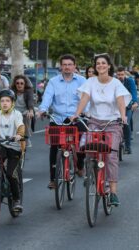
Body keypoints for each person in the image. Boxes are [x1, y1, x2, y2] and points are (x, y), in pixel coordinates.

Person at [72, 53, 131, 206]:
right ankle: (92, 174)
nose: (101, 66)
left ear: (109, 66)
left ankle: (113, 192)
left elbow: (120, 100)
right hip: (94, 121)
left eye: (103, 63)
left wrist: (123, 116)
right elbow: (85, 98)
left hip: (112, 122)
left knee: (110, 156)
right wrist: (76, 114)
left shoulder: (116, 83)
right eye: (98, 63)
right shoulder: (90, 82)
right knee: (89, 150)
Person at [38, 54, 87, 189]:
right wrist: (42, 109)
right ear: (60, 67)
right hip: (58, 118)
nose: (67, 67)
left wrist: (85, 112)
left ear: (74, 66)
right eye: (64, 64)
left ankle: (80, 164)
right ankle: (53, 178)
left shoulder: (82, 81)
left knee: (82, 141)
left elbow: (86, 99)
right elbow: (47, 97)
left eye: (70, 64)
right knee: (54, 146)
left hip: (77, 117)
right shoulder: (53, 82)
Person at [116, 67, 138, 154]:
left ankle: (128, 147)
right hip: (116, 107)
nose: (120, 76)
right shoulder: (113, 82)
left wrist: (135, 102)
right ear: (116, 75)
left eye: (122, 74)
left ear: (124, 74)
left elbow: (133, 92)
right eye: (118, 75)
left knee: (125, 123)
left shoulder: (130, 81)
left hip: (128, 106)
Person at [10, 75, 35, 147]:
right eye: (17, 83)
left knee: (27, 116)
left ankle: (26, 137)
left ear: (25, 84)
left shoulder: (28, 91)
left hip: (25, 110)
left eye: (21, 83)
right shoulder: (12, 91)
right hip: (14, 111)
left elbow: (30, 102)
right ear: (15, 84)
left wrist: (30, 111)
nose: (19, 85)